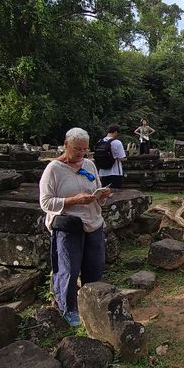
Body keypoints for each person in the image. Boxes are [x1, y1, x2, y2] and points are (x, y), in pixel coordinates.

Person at [39, 128, 112, 326]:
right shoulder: (53, 169)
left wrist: (102, 196)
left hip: (93, 222)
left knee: (95, 265)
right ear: (65, 145)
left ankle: (90, 302)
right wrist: (72, 200)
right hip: (69, 225)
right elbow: (45, 203)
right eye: (76, 149)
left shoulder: (89, 164)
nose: (81, 154)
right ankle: (67, 307)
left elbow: (96, 189)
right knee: (68, 269)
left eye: (84, 150)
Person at [94, 125, 127, 189]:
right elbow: (122, 158)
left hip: (102, 173)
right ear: (115, 132)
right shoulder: (117, 142)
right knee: (116, 194)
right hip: (115, 173)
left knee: (105, 194)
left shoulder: (100, 141)